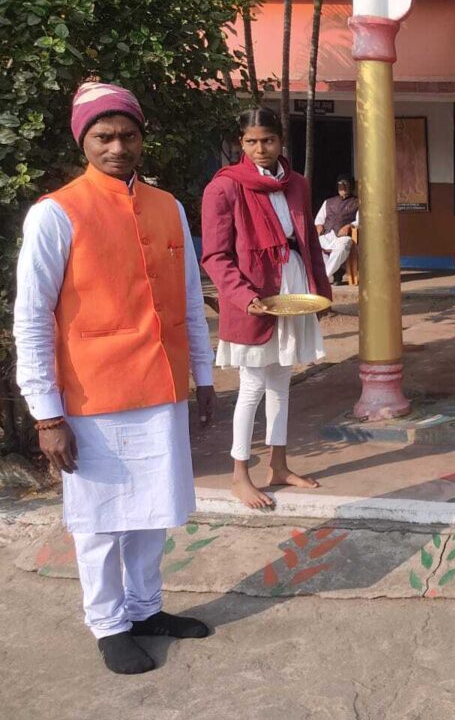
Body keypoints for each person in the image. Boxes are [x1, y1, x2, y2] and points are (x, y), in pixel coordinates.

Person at [14, 82, 216, 675]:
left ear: (141, 138)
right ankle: (108, 624)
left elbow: (187, 299)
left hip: (162, 389)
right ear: (83, 141)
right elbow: (31, 316)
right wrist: (46, 414)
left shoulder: (168, 205)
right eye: (103, 136)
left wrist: (203, 375)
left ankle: (145, 608)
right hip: (92, 396)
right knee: (101, 519)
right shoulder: (56, 213)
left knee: (154, 509)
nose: (117, 147)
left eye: (128, 135)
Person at [202, 108, 331, 509]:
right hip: (253, 294)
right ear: (241, 143)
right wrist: (244, 297)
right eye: (252, 142)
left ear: (281, 141)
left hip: (292, 285)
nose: (261, 149)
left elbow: (308, 241)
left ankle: (279, 465)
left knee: (281, 382)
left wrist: (321, 290)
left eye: (268, 140)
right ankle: (239, 475)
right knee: (253, 385)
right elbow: (216, 256)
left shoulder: (297, 184)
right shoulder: (224, 188)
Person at [315, 175, 359, 282]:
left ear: (351, 186)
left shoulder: (357, 202)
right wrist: (319, 225)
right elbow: (319, 219)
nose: (343, 188)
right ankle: (336, 271)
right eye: (340, 185)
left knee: (341, 248)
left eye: (345, 185)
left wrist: (349, 226)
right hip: (326, 234)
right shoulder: (328, 202)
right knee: (313, 246)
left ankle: (324, 277)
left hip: (343, 236)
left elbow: (360, 220)